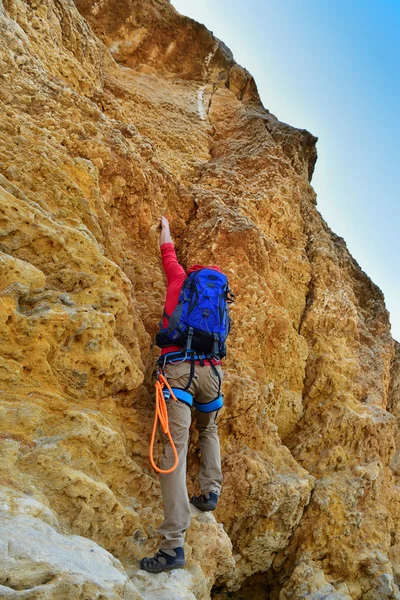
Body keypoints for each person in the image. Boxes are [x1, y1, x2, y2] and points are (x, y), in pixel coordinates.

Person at [140, 216, 225, 573]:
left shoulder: (178, 278)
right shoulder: (219, 295)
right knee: (208, 430)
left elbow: (167, 250)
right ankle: (210, 491)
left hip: (178, 372)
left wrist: (165, 227)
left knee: (173, 449)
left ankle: (172, 546)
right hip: (212, 374)